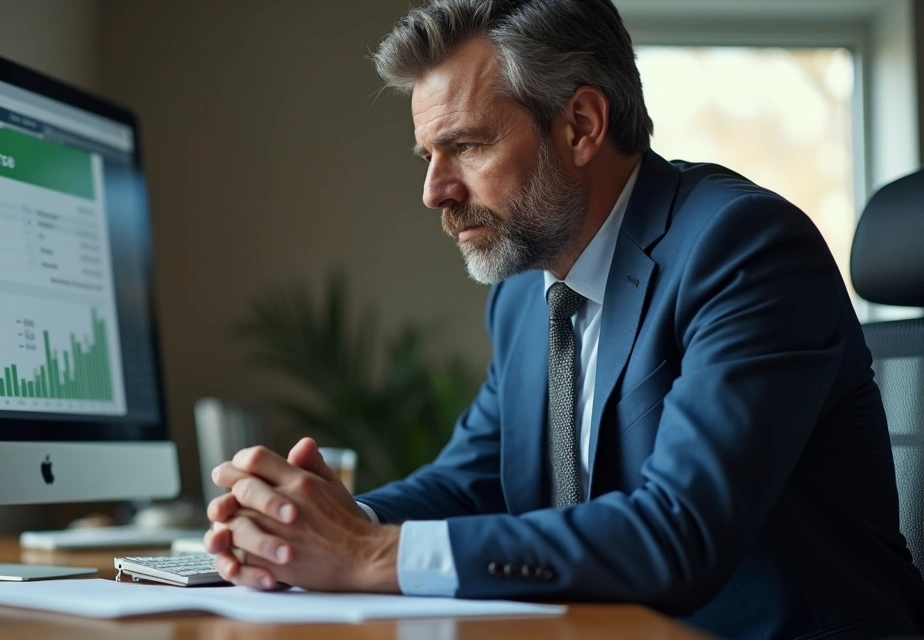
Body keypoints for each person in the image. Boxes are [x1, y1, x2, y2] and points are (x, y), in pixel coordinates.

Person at [202, 1, 924, 637]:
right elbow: (469, 484)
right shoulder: (525, 295)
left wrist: (366, 554)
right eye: (427, 154)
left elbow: (680, 533)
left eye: (467, 145)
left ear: (580, 125)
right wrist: (308, 522)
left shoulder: (744, 250)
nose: (433, 191)